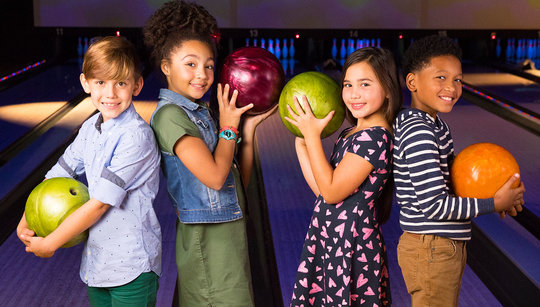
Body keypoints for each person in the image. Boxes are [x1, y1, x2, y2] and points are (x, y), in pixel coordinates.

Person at [143, 1, 275, 305]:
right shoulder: (170, 117)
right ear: (166, 66)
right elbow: (215, 178)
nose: (202, 74)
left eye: (209, 65)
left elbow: (235, 180)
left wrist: (248, 129)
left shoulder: (200, 113)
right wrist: (228, 128)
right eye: (190, 64)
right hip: (207, 243)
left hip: (228, 239)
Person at [16, 36, 162, 306]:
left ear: (137, 85)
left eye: (121, 83)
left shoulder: (135, 136)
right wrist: (28, 218)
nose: (110, 94)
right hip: (99, 265)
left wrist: (51, 243)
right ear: (85, 83)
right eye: (100, 83)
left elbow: (99, 205)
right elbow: (56, 176)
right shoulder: (90, 127)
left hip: (132, 267)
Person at [393, 34, 526, 307]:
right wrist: (493, 203)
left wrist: (503, 192)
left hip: (439, 246)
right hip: (431, 247)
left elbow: (456, 179)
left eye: (458, 79)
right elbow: (434, 205)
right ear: (412, 82)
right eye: (441, 77)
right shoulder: (419, 131)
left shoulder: (434, 125)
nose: (451, 87)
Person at [287, 47, 402, 306]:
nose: (354, 93)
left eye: (365, 84)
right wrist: (303, 143)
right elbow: (322, 192)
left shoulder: (375, 138)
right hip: (331, 238)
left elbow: (330, 191)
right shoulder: (350, 133)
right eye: (348, 84)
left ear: (388, 90)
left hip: (352, 246)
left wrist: (314, 137)